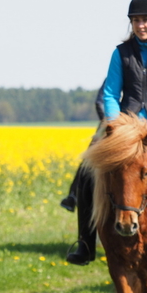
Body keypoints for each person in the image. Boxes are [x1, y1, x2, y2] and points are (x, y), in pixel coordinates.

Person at [66, 0, 147, 265]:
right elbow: (111, 94)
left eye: (146, 20)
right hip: (123, 128)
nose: (141, 25)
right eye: (136, 20)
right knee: (87, 173)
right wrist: (115, 126)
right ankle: (86, 244)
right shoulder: (121, 53)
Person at [59, 82, 105, 212]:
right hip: (109, 123)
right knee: (88, 157)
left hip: (135, 124)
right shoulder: (113, 76)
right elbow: (99, 102)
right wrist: (108, 121)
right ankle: (73, 195)